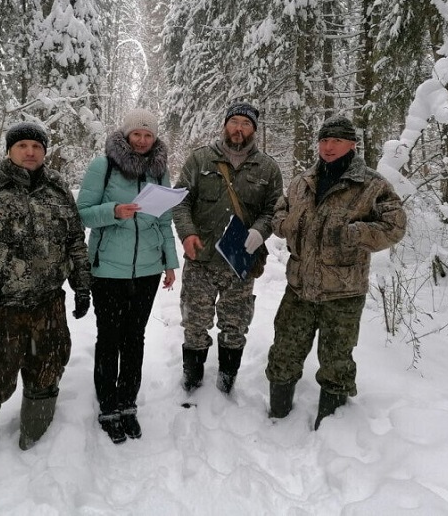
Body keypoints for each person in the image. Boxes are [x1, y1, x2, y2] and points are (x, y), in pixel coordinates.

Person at [0, 121, 91, 495]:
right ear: (10, 150)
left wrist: (82, 286)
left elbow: (75, 241)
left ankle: (35, 449)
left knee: (47, 372)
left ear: (44, 152)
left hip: (48, 305)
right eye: (22, 145)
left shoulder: (58, 192)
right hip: (0, 309)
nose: (30, 152)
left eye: (36, 146)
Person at [265, 114, 406, 429]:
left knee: (336, 362)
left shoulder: (371, 185)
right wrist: (283, 224)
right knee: (284, 352)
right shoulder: (303, 182)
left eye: (337, 141)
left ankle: (331, 427)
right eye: (324, 140)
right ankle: (277, 417)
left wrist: (354, 234)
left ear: (352, 144)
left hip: (343, 293)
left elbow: (395, 226)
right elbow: (280, 210)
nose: (328, 147)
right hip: (299, 288)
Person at [77, 109, 179, 444]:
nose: (142, 140)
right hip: (108, 270)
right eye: (137, 134)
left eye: (148, 135)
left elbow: (164, 221)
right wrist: (114, 212)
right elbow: (82, 214)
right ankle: (108, 405)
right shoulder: (103, 166)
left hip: (148, 270)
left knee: (135, 338)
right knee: (109, 338)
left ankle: (128, 403)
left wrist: (169, 263)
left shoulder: (159, 171)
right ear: (126, 134)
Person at [173, 102, 283, 394]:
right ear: (225, 125)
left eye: (246, 124)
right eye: (234, 121)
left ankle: (227, 379)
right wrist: (187, 233)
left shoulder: (268, 168)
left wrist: (260, 231)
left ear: (254, 130)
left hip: (240, 261)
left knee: (235, 326)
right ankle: (192, 379)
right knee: (194, 324)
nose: (239, 128)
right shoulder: (200, 159)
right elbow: (181, 201)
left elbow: (275, 210)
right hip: (201, 258)